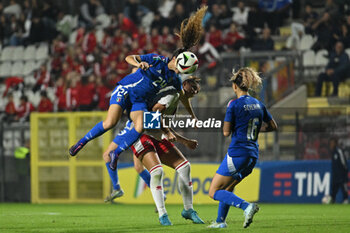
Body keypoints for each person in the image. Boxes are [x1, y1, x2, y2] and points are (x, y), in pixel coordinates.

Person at [69, 6, 207, 164]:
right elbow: (129, 57)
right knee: (110, 122)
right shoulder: (157, 60)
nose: (180, 71)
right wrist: (138, 63)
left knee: (140, 126)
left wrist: (193, 116)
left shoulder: (175, 79)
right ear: (175, 60)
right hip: (126, 89)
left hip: (139, 101)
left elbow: (183, 96)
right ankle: (82, 142)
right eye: (181, 67)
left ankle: (116, 153)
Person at [105, 77, 203, 226]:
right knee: (157, 172)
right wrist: (169, 132)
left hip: (156, 134)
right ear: (184, 85)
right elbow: (155, 113)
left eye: (197, 90)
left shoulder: (177, 96)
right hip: (140, 134)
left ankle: (188, 210)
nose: (195, 91)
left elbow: (164, 122)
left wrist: (186, 139)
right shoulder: (171, 95)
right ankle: (163, 214)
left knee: (184, 167)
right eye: (193, 88)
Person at [208, 67, 277, 229]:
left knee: (214, 191)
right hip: (252, 155)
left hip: (237, 153)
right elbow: (273, 126)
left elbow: (226, 132)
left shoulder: (234, 104)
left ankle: (247, 207)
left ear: (235, 86)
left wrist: (235, 126)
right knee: (228, 187)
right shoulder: (259, 104)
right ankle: (220, 221)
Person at [330, 137, 348, 204]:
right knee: (334, 187)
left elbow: (343, 162)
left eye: (332, 143)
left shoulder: (339, 151)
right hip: (335, 174)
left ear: (335, 143)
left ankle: (345, 199)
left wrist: (345, 171)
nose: (331, 145)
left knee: (343, 186)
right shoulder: (333, 152)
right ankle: (333, 200)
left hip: (341, 174)